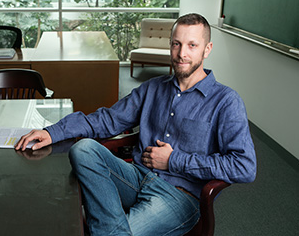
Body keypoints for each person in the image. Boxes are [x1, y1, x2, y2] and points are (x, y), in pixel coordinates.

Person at [15, 13, 257, 235]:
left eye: (192, 45)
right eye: (176, 44)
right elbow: (108, 119)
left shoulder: (226, 101)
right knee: (83, 149)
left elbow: (244, 167)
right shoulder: (153, 88)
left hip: (178, 197)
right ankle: (112, 227)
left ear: (207, 49)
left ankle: (107, 228)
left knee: (104, 229)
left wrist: (174, 160)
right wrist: (52, 132)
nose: (182, 53)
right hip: (136, 177)